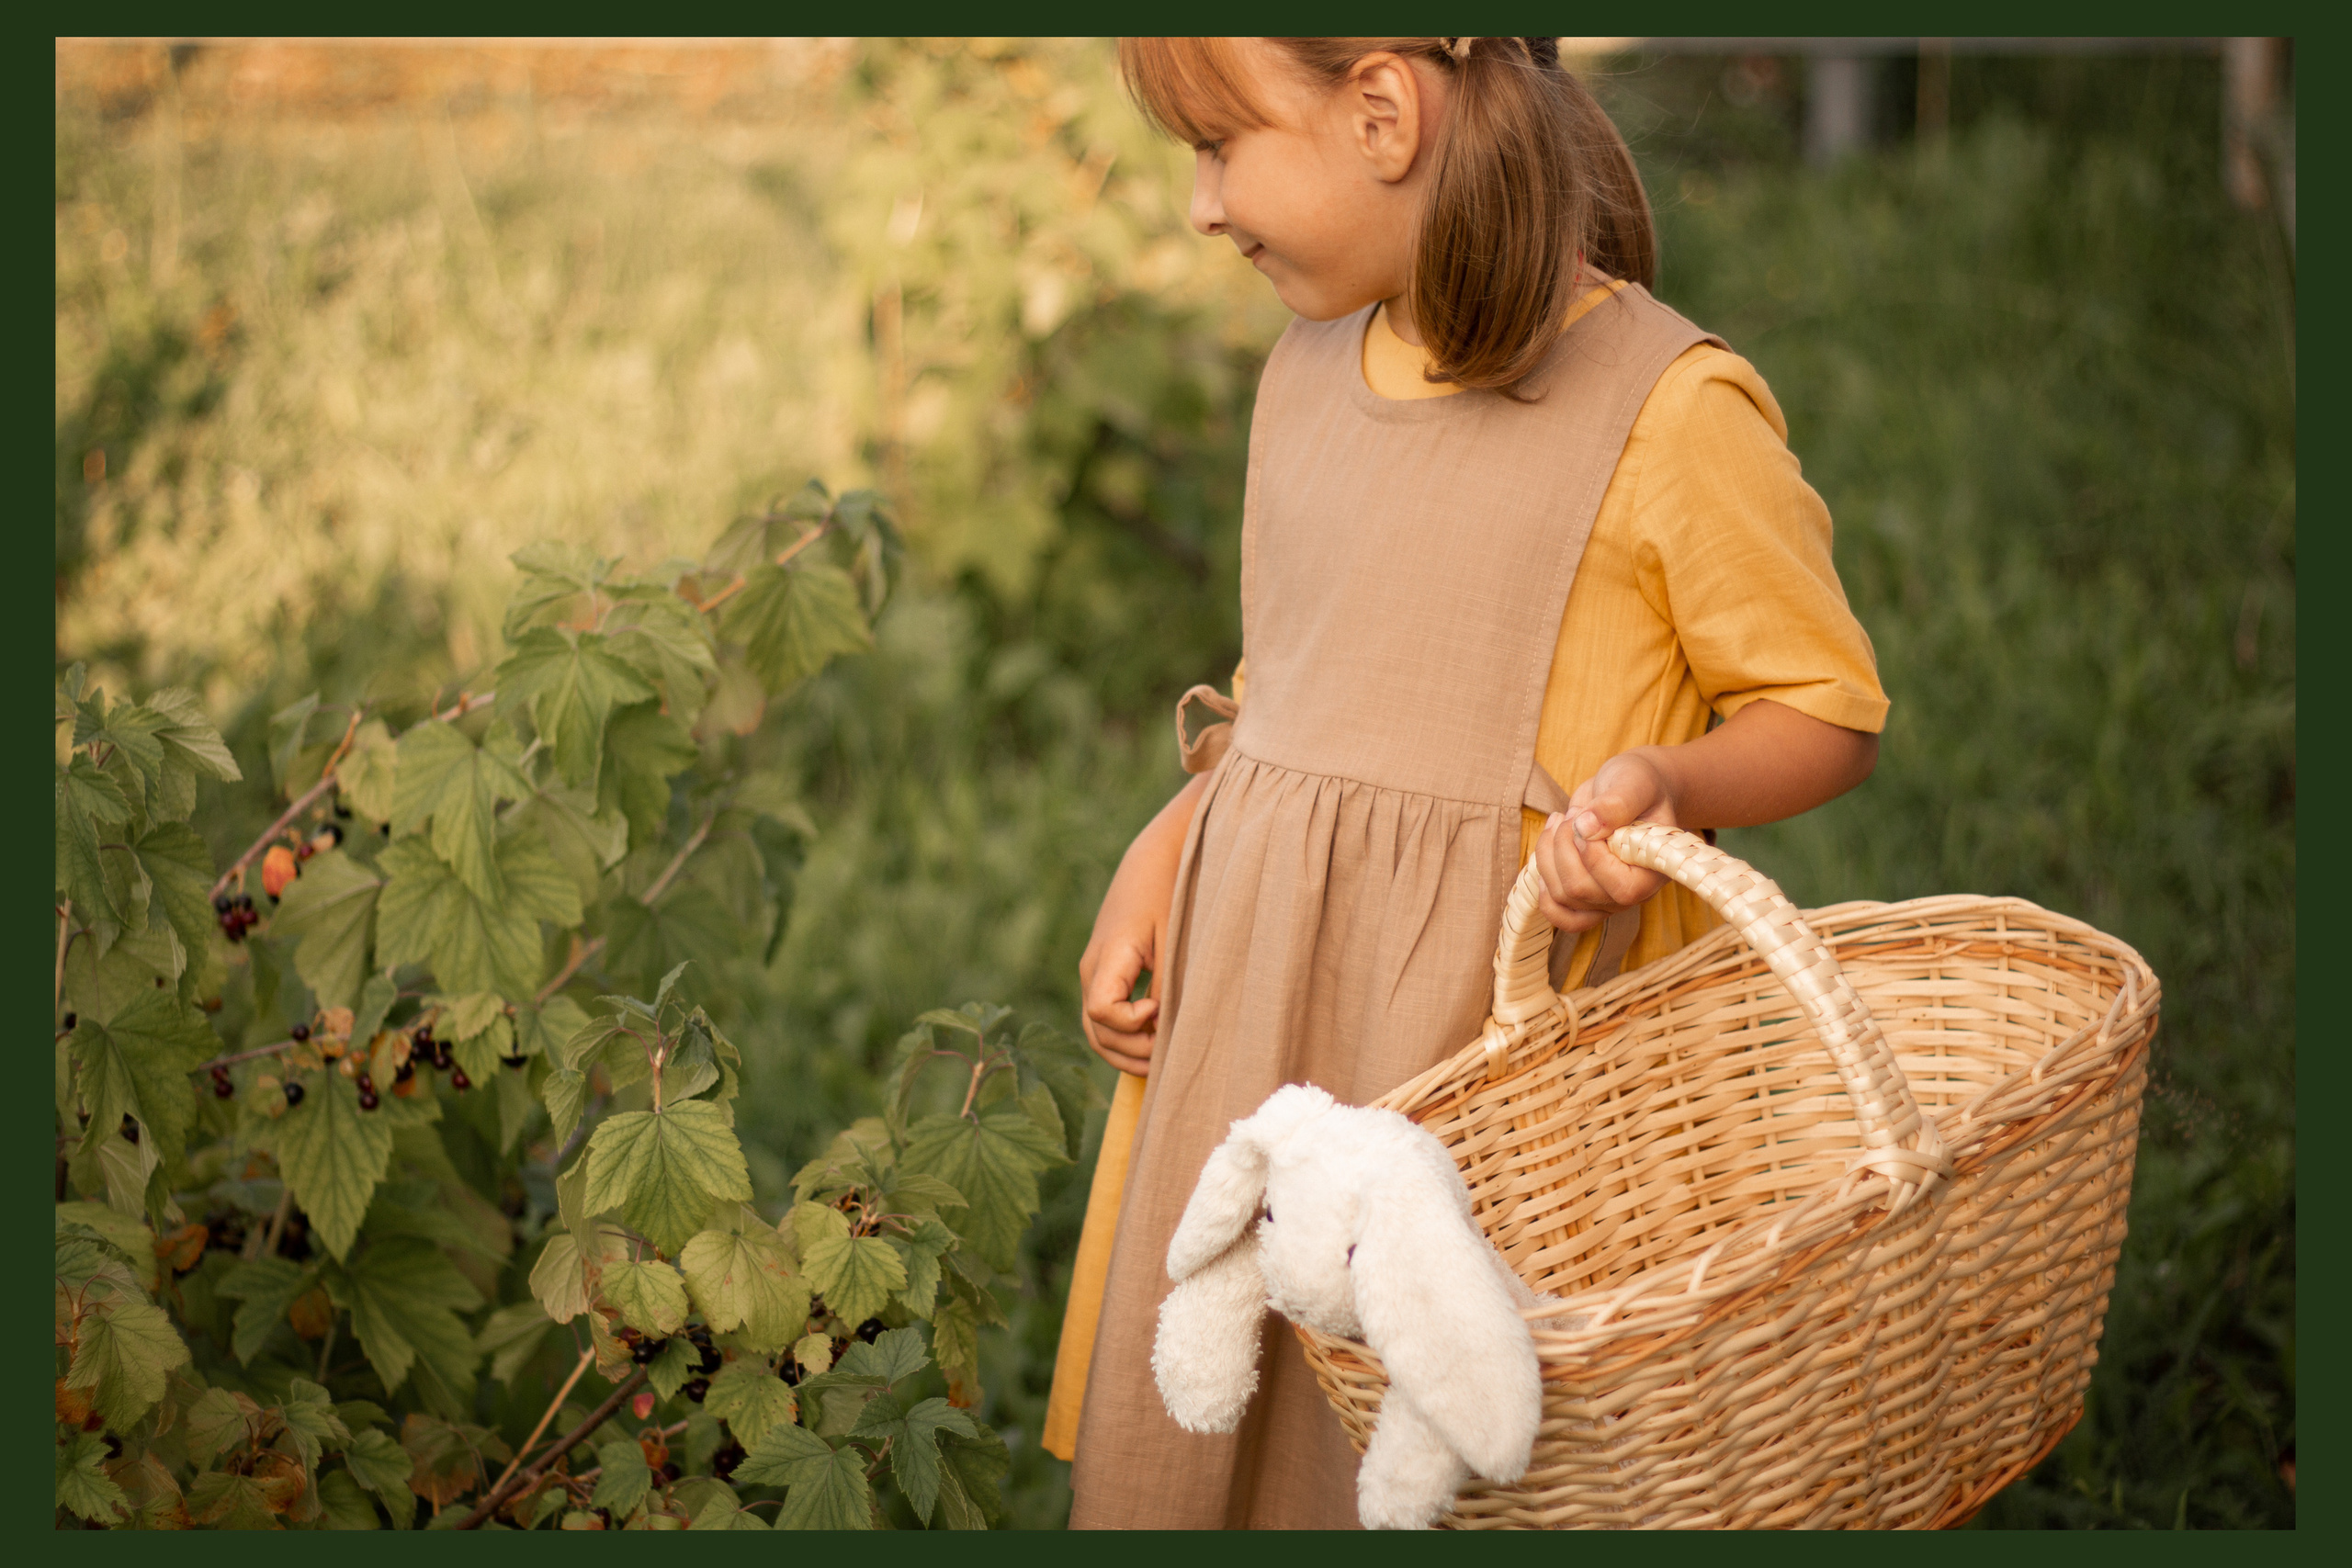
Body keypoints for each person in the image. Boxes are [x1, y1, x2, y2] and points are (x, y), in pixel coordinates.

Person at [1043, 37, 1890, 1529]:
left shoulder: (1666, 408)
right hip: (1274, 1029)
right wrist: (1172, 840)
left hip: (1498, 1073)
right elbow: (1293, 695)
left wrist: (1665, 781)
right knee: (1250, 1446)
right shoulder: (1304, 372)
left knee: (1479, 1452)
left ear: (1382, 112)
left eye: (1219, 146)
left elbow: (1826, 708)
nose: (1197, 206)